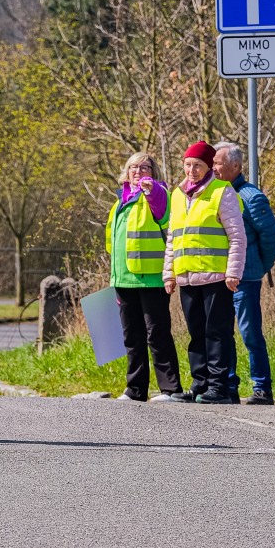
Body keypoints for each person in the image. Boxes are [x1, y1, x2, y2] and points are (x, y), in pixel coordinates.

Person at [166, 141, 247, 404]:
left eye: (198, 165)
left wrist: (233, 272)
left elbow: (237, 237)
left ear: (208, 166)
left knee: (217, 333)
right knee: (196, 333)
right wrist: (169, 274)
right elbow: (173, 238)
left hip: (217, 277)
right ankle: (199, 384)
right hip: (187, 276)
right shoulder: (177, 195)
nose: (192, 170)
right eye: (188, 165)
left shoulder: (222, 191)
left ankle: (219, 387)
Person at [105, 152, 181, 401]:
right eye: (133, 167)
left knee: (157, 335)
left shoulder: (158, 194)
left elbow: (162, 211)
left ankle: (170, 389)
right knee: (132, 337)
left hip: (151, 278)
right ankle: (135, 389)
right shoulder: (120, 200)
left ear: (153, 172)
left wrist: (151, 190)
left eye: (144, 167)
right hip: (123, 278)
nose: (138, 171)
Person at [213, 142, 275, 405]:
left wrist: (259, 267)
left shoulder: (251, 197)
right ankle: (229, 386)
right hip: (220, 276)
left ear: (236, 166)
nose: (213, 168)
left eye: (218, 163)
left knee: (250, 334)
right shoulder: (216, 194)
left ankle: (262, 387)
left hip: (246, 278)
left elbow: (271, 237)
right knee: (223, 334)